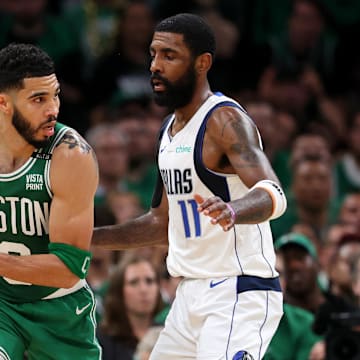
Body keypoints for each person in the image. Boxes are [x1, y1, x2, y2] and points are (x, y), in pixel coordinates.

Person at [92, 13, 287, 359]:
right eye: (153, 54)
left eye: (169, 56)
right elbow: (160, 224)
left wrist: (232, 209)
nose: (155, 65)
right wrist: (86, 237)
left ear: (202, 63)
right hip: (189, 295)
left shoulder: (224, 120)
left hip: (237, 290)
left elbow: (274, 194)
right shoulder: (168, 131)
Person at [0, 43, 101, 359]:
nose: (53, 109)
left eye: (55, 95)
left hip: (61, 314)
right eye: (38, 99)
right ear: (3, 103)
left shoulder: (71, 155)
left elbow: (68, 269)